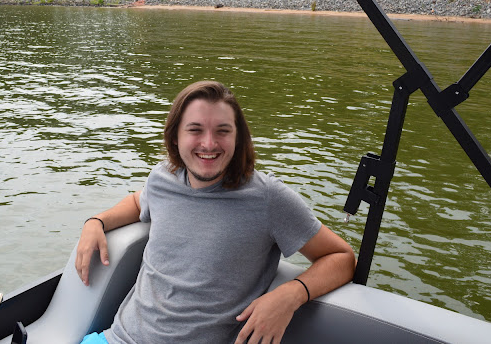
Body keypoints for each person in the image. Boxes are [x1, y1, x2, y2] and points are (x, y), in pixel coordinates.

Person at [75, 81, 355, 344]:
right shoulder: (162, 178)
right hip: (116, 338)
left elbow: (340, 257)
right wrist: (96, 222)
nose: (209, 144)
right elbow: (138, 203)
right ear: (175, 138)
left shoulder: (268, 197)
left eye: (222, 130)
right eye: (195, 130)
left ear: (238, 138)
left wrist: (291, 295)